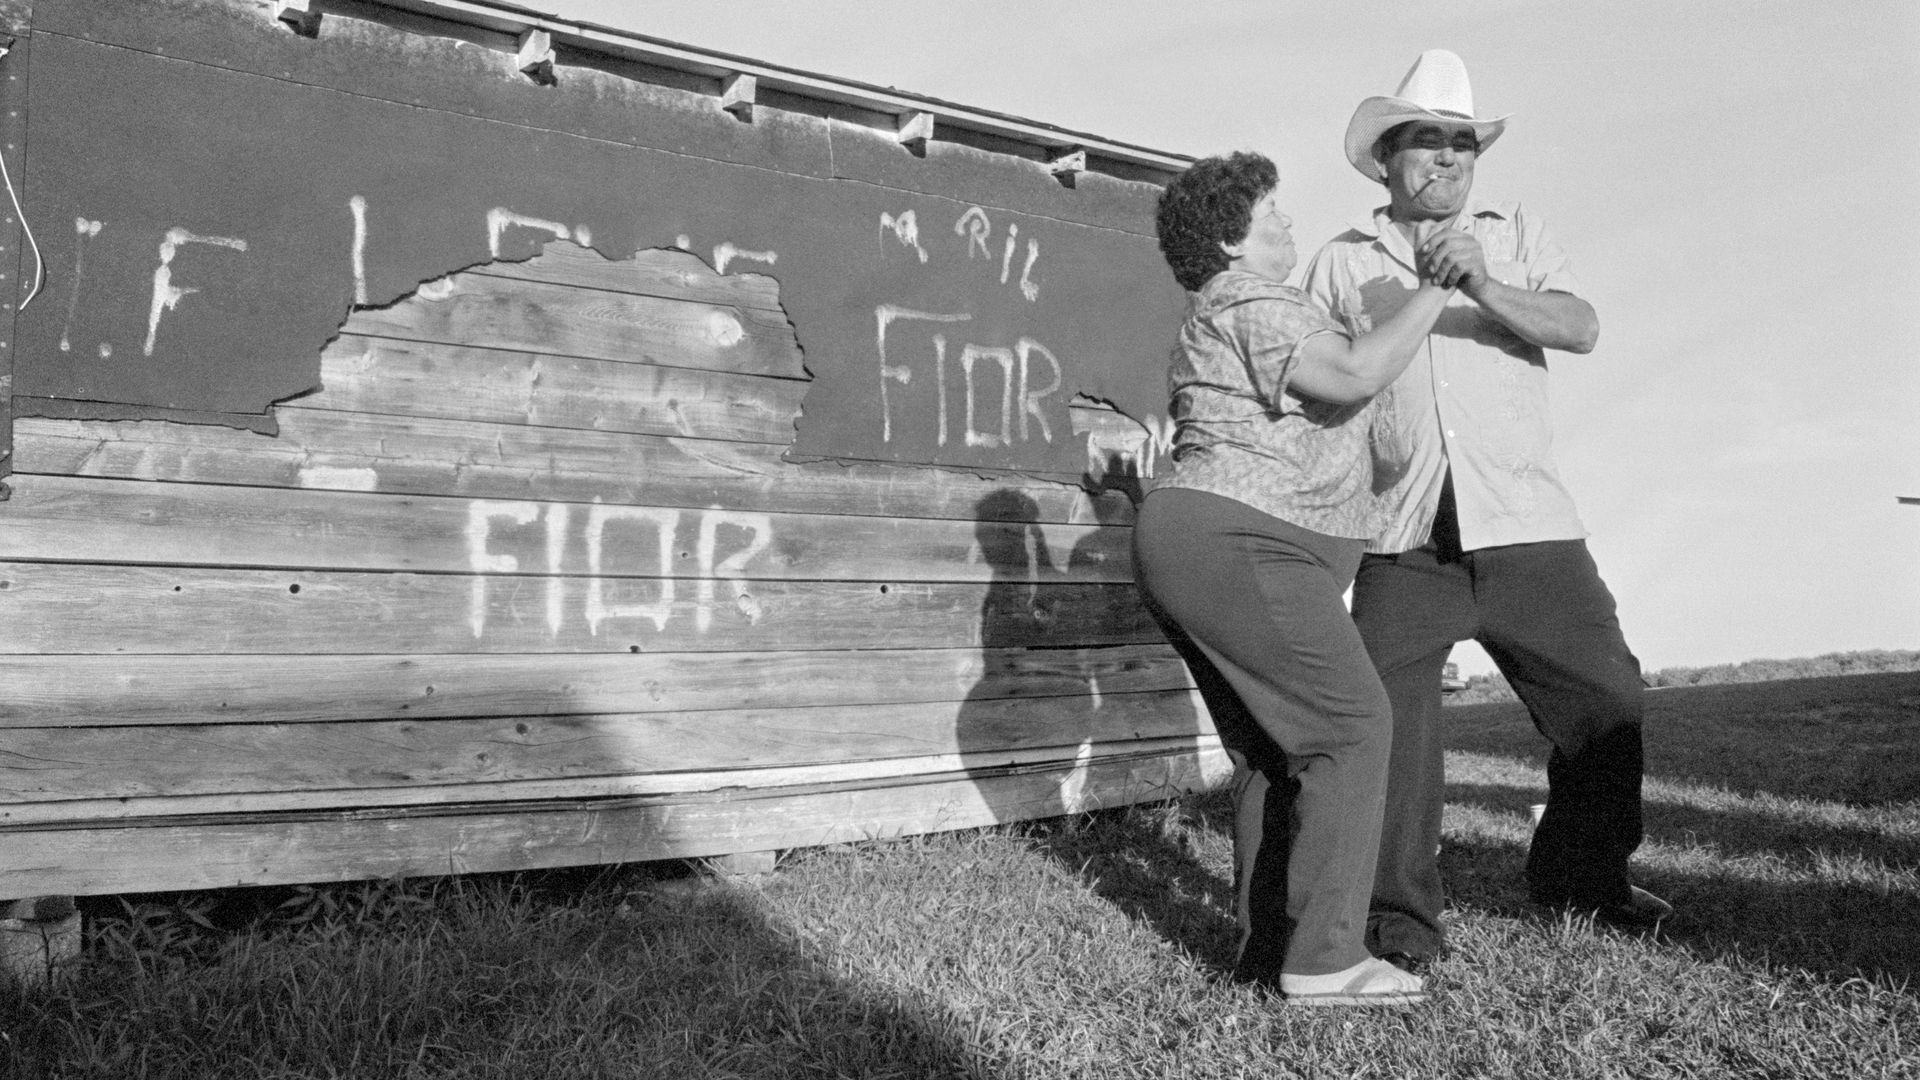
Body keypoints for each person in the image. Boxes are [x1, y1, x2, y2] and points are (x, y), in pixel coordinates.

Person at [1302, 49, 1671, 975]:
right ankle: (1398, 925)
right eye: (1426, 142)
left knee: (1608, 698)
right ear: (1386, 157)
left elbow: (1580, 327)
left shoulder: (1517, 235)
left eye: (1462, 144)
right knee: (1389, 727)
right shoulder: (1341, 264)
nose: (1448, 160)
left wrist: (1480, 283)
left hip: (1528, 525)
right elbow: (1313, 387)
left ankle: (1584, 882)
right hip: (1402, 534)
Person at [1134, 151, 1454, 1005]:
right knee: (1350, 725)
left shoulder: (1234, 310)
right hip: (1240, 543)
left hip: (1205, 543)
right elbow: (1349, 374)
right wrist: (1435, 287)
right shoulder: (1249, 297)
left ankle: (1268, 951)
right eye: (1271, 214)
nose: (1287, 224)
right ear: (1232, 241)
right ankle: (1325, 960)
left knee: (1276, 753)